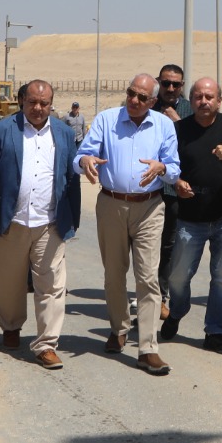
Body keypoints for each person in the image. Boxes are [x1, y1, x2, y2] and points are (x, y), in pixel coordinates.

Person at [77, 72, 181, 375]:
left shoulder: (164, 125)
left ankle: (148, 348)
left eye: (142, 97)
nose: (134, 100)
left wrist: (162, 167)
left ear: (153, 101)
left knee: (147, 277)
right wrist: (85, 161)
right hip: (111, 204)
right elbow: (83, 154)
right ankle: (119, 328)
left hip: (149, 207)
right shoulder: (107, 119)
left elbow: (174, 169)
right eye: (131, 93)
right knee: (114, 273)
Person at [0, 79, 81, 368]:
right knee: (8, 283)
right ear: (22, 101)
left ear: (51, 104)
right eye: (32, 102)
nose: (37, 108)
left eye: (44, 103)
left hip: (50, 223)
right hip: (13, 222)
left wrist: (72, 219)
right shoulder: (2, 130)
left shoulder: (63, 132)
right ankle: (11, 326)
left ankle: (46, 344)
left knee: (52, 286)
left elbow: (71, 178)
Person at [162, 78, 222, 354]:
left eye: (209, 97)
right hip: (190, 219)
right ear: (191, 100)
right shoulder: (179, 129)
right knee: (178, 277)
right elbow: (167, 166)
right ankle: (177, 310)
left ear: (219, 101)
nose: (204, 101)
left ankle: (215, 332)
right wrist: (177, 183)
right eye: (199, 97)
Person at [152, 63, 193, 320]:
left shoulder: (189, 109)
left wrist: (178, 122)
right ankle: (148, 295)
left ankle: (162, 296)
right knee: (146, 245)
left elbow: (195, 145)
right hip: (149, 187)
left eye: (175, 84)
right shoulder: (146, 106)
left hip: (175, 188)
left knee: (170, 245)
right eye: (165, 83)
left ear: (182, 85)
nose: (170, 88)